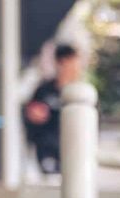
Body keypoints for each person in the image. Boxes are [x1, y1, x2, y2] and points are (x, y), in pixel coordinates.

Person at [24, 44, 83, 174]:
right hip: (48, 151)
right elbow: (32, 115)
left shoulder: (82, 93)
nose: (76, 67)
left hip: (74, 151)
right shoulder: (44, 91)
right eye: (72, 62)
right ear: (61, 62)